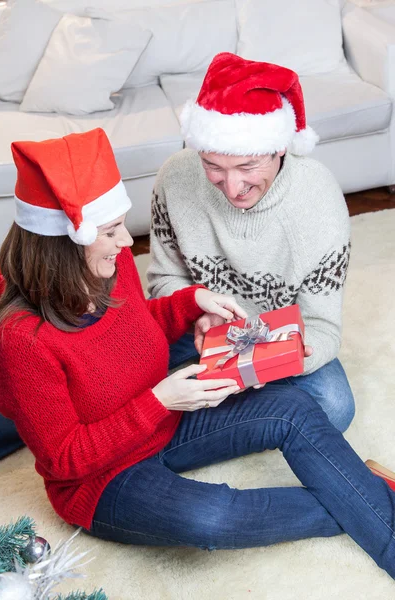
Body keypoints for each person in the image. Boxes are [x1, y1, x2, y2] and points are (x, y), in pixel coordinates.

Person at [0, 128, 395, 580]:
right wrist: (160, 401)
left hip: (164, 421)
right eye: (110, 232)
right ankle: (370, 496)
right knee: (212, 518)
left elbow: (132, 329)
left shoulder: (110, 264)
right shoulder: (22, 340)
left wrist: (191, 303)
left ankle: (368, 506)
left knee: (293, 407)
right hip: (103, 480)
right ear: (63, 246)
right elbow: (63, 460)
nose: (128, 243)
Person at [148, 52, 355, 433]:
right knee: (106, 372)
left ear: (279, 147)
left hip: (279, 336)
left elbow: (323, 326)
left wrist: (277, 362)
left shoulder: (319, 200)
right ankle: (243, 413)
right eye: (213, 166)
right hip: (198, 326)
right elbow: (162, 281)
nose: (232, 187)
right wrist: (198, 311)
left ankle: (201, 418)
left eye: (247, 167)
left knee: (336, 405)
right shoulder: (174, 177)